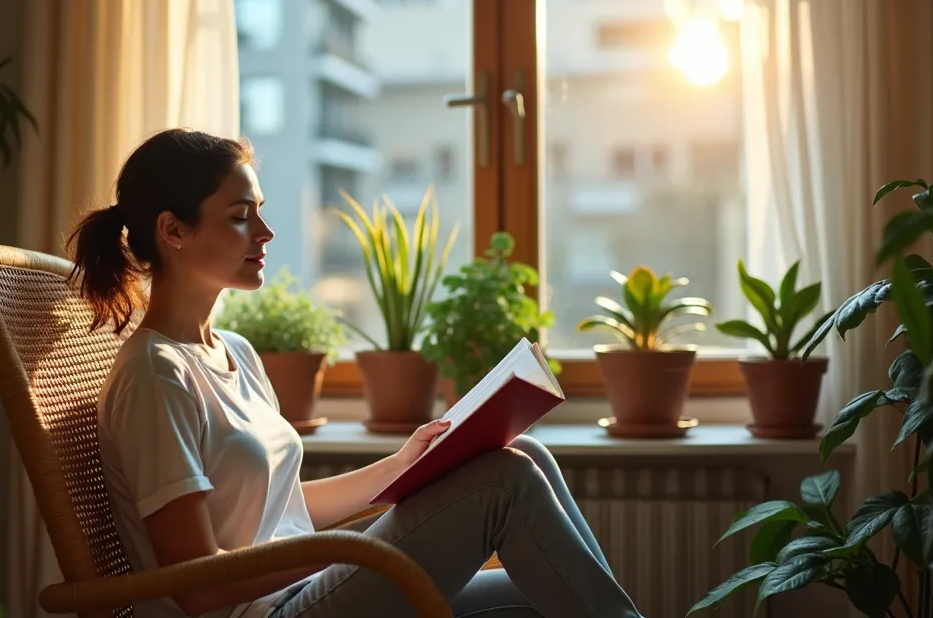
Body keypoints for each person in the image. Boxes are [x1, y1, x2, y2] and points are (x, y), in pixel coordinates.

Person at [68, 128, 643, 618]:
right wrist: (352, 551)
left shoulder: (235, 352)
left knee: (530, 477)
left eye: (260, 212)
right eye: (241, 217)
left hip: (310, 586)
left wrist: (403, 465)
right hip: (268, 612)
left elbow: (281, 509)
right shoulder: (155, 377)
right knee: (504, 481)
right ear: (173, 231)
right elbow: (197, 585)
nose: (265, 232)